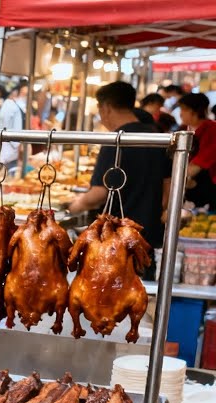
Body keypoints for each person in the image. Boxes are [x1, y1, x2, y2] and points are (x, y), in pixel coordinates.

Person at [68, 82, 168, 272]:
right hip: (147, 239)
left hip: (114, 241)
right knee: (141, 292)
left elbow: (99, 193)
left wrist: (75, 206)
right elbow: (168, 188)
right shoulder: (157, 137)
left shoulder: (115, 141)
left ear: (105, 107)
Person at [178, 93, 216, 211]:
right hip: (188, 185)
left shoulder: (212, 129)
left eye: (184, 109)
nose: (180, 113)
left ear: (196, 111)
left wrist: (180, 177)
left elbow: (200, 163)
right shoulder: (183, 129)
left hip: (208, 188)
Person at [0, 80, 27, 171]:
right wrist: (17, 144)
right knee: (6, 173)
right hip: (8, 148)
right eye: (24, 93)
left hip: (10, 148)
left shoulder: (12, 105)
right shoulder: (10, 105)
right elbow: (8, 127)